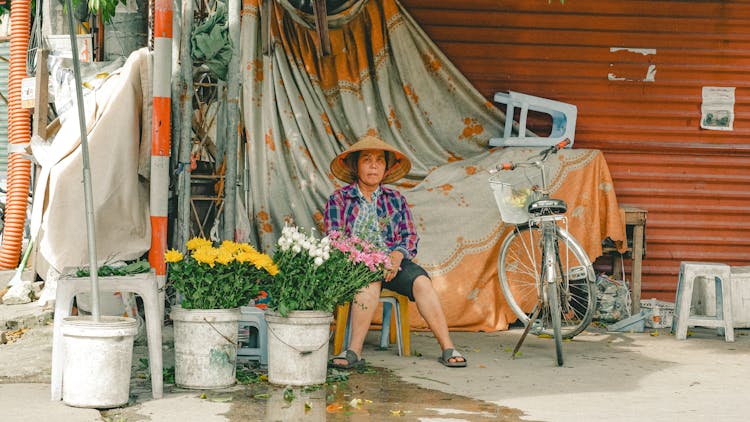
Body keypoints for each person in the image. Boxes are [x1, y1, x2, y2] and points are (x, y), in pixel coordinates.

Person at [324, 135, 467, 369]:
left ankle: (448, 347)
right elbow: (335, 238)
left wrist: (396, 256)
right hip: (359, 265)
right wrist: (371, 260)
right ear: (355, 166)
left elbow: (409, 236)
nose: (373, 165)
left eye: (379, 161)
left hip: (394, 261)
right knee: (368, 284)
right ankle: (353, 351)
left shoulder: (396, 199)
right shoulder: (340, 199)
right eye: (367, 160)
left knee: (421, 281)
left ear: (386, 168)